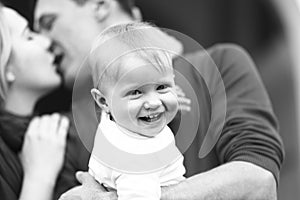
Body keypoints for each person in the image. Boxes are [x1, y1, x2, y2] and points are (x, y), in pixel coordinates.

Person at [34, 0, 285, 199]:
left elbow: (258, 183)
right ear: (101, 101)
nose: (43, 41)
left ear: (100, 5)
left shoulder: (220, 65)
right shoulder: (58, 132)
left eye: (48, 22)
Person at [0, 5, 89, 200]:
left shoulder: (54, 131)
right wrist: (39, 179)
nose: (46, 41)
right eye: (28, 37)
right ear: (6, 67)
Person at [88, 22, 186, 200]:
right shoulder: (137, 160)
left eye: (162, 87)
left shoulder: (114, 119)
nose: (154, 102)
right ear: (103, 101)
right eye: (136, 92)